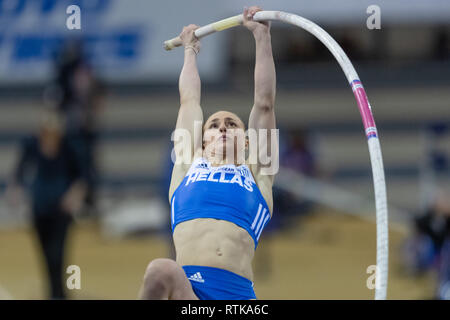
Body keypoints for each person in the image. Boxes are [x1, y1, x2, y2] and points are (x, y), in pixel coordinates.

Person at [139, 6, 277, 300]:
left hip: (236, 297)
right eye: (214, 125)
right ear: (203, 142)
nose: (223, 128)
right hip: (188, 293)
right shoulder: (187, 166)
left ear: (248, 141)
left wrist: (262, 37)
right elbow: (189, 101)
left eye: (232, 124)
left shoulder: (259, 172)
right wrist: (190, 51)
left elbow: (264, 103)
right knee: (162, 270)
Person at [7, 109, 88, 299]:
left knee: (58, 254)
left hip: (61, 210)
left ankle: (60, 293)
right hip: (40, 207)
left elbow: (83, 176)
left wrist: (74, 195)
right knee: (45, 254)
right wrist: (15, 190)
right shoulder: (31, 144)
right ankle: (53, 291)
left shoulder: (69, 147)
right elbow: (19, 170)